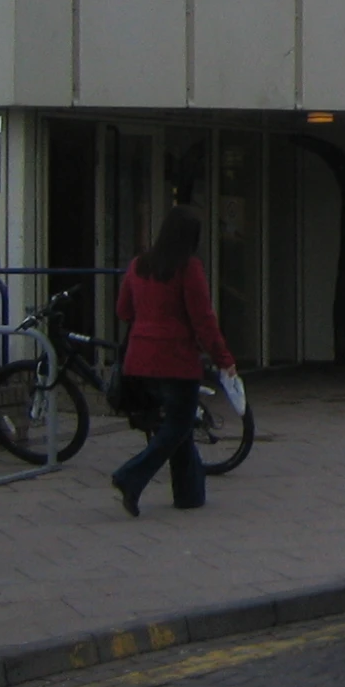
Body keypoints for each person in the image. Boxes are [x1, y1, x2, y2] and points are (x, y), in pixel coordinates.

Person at [111, 205, 237, 517]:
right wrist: (223, 358)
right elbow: (203, 319)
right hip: (176, 360)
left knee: (172, 429)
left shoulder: (139, 265)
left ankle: (189, 493)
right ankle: (130, 476)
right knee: (179, 425)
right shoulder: (188, 268)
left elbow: (123, 311)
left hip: (139, 360)